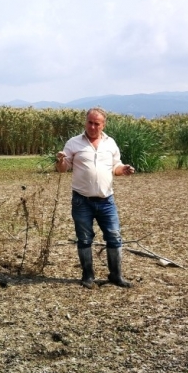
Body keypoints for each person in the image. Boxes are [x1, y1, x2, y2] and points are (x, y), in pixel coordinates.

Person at [56, 107, 136, 289]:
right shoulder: (74, 143)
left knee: (114, 237)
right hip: (81, 200)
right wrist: (60, 160)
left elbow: (116, 167)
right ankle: (88, 275)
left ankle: (116, 276)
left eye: (96, 123)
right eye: (89, 122)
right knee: (84, 238)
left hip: (106, 200)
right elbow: (63, 169)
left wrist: (123, 170)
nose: (92, 126)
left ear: (103, 125)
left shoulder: (111, 143)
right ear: (85, 122)